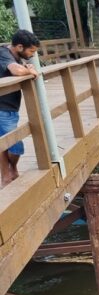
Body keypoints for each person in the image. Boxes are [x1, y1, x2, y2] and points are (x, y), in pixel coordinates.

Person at [0, 30, 40, 189]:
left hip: (10, 107)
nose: (33, 55)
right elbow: (15, 70)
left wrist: (26, 66)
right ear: (19, 46)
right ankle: (7, 174)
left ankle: (8, 174)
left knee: (5, 142)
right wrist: (29, 70)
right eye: (31, 51)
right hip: (2, 107)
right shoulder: (3, 53)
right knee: (14, 144)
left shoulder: (14, 56)